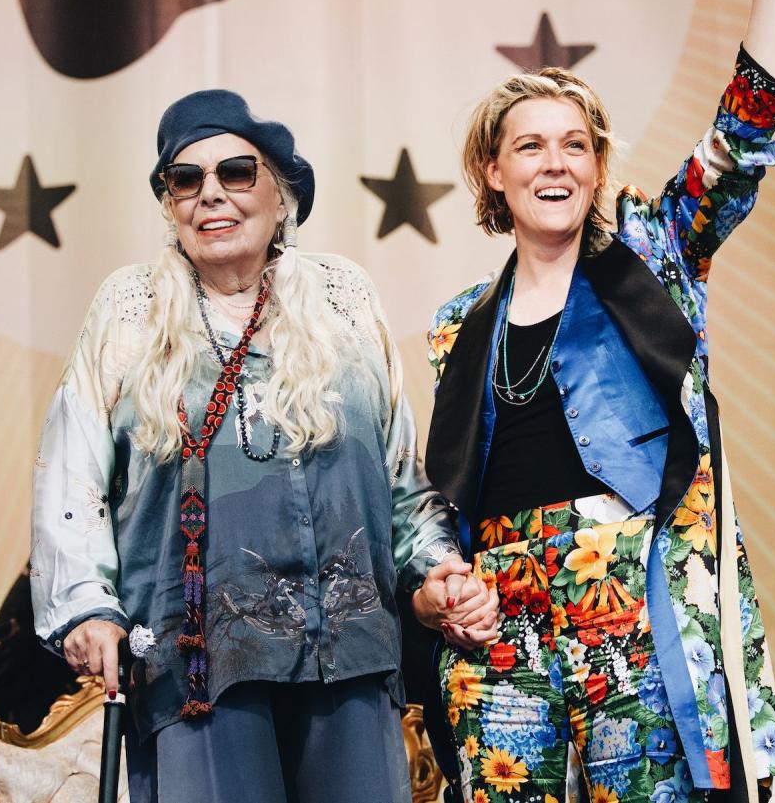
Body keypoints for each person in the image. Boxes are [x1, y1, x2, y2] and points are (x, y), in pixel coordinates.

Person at [425, 0, 775, 801]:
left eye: (576, 145)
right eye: (529, 146)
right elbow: (435, 499)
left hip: (633, 598)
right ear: (494, 175)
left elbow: (741, 140)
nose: (556, 163)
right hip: (500, 625)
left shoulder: (654, 257)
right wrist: (439, 586)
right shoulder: (457, 326)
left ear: (597, 167)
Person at [30, 90, 498, 803]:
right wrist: (87, 605)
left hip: (350, 656)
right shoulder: (129, 310)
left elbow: (402, 476)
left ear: (282, 195)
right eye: (184, 179)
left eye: (236, 172)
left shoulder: (343, 296)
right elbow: (73, 474)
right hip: (196, 670)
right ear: (169, 204)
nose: (210, 193)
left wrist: (433, 569)